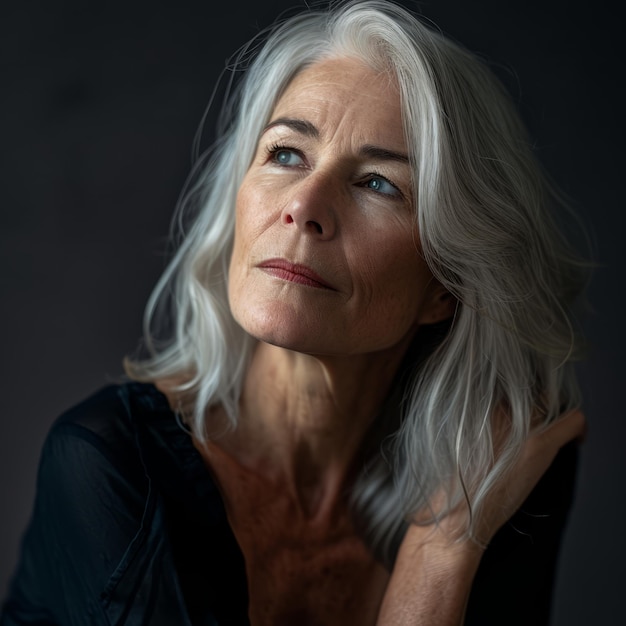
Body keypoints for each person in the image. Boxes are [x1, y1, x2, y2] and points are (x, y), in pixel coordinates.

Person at [1, 1, 588, 624]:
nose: (304, 204)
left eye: (377, 184)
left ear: (446, 286)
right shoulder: (110, 466)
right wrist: (437, 559)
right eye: (286, 154)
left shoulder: (496, 466)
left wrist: (456, 532)